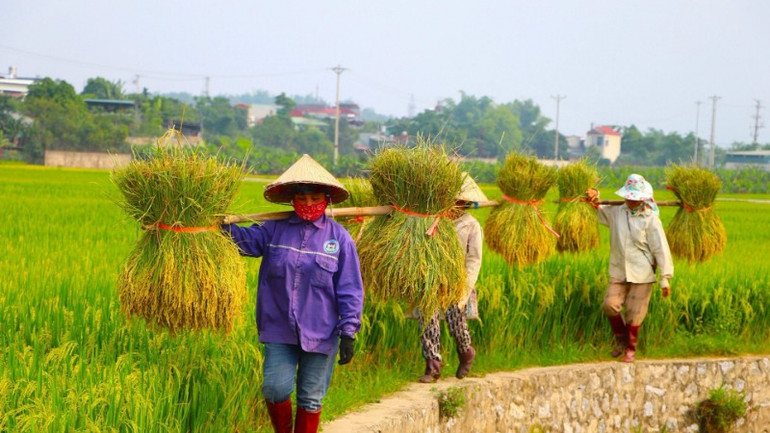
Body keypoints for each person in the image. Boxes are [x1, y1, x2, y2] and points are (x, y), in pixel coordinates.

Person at [221, 154, 365, 433]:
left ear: (326, 198)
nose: (308, 204)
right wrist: (217, 225)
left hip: (321, 332)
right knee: (275, 388)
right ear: (292, 199)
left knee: (310, 399)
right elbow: (245, 241)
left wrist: (348, 332)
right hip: (279, 329)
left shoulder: (339, 240)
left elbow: (350, 289)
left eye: (314, 197)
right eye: (302, 198)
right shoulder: (274, 230)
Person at [586, 173, 673, 363]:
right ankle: (621, 340)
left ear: (643, 198)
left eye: (636, 198)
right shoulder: (617, 212)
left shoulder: (651, 219)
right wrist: (593, 195)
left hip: (642, 274)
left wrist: (665, 278)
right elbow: (598, 207)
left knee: (634, 314)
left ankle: (630, 349)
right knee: (610, 305)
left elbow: (661, 248)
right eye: (629, 197)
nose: (632, 201)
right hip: (618, 270)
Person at [418, 174, 485, 383]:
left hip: (457, 282)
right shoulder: (433, 220)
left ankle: (466, 352)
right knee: (428, 319)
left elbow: (474, 259)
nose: (454, 206)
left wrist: (465, 288)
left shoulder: (471, 225)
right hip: (433, 277)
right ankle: (433, 366)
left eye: (459, 202)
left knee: (456, 320)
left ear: (465, 203)